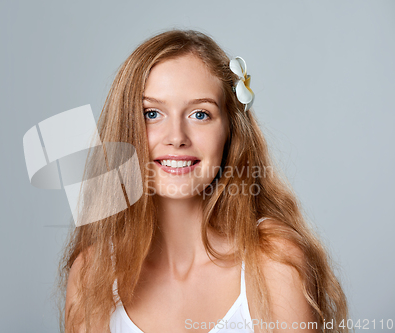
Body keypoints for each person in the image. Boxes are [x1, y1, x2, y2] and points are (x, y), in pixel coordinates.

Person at [56, 29, 349, 333]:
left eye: (200, 114)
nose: (176, 138)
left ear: (231, 130)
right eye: (152, 113)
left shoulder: (275, 263)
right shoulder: (93, 273)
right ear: (124, 130)